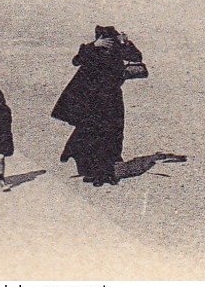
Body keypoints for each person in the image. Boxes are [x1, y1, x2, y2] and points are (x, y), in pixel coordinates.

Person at [52, 26, 141, 186]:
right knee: (95, 137)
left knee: (113, 136)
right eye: (106, 41)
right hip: (93, 102)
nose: (109, 45)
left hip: (112, 100)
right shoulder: (91, 51)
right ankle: (94, 173)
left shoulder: (117, 50)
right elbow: (76, 60)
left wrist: (126, 44)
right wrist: (94, 46)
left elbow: (136, 57)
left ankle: (107, 174)